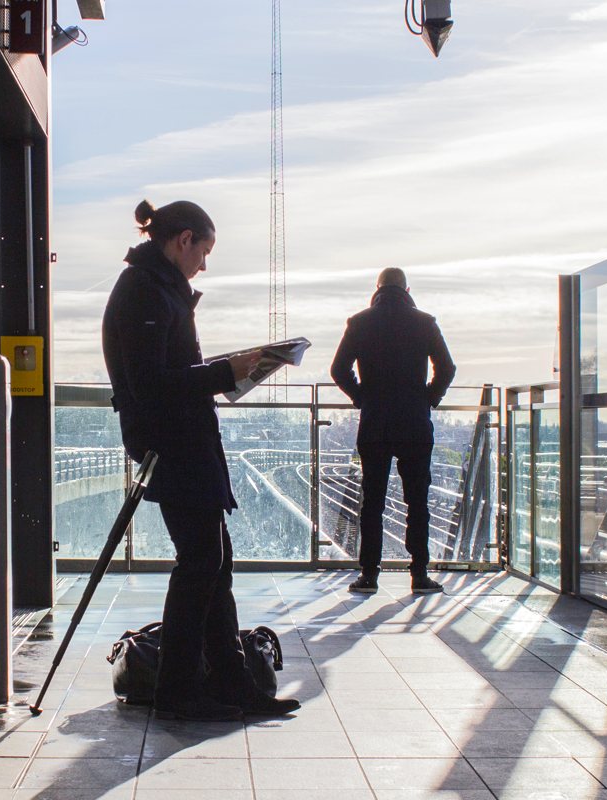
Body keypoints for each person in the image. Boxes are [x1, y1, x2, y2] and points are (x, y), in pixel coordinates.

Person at [102, 198, 301, 721]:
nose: (204, 264)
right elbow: (150, 384)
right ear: (183, 239)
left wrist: (229, 366)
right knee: (200, 565)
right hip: (172, 444)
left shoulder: (156, 287)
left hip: (181, 441)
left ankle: (226, 681)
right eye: (204, 251)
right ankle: (183, 690)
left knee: (211, 562)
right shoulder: (145, 290)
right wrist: (222, 372)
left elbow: (169, 371)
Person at [330, 267, 456, 594]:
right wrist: (429, 397)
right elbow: (447, 368)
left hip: (375, 424)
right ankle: (419, 574)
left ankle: (369, 574)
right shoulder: (424, 322)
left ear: (377, 289)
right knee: (417, 502)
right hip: (414, 423)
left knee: (372, 502)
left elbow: (338, 369)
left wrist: (362, 397)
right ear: (407, 289)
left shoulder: (359, 323)